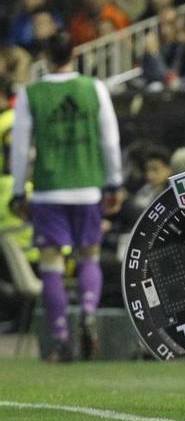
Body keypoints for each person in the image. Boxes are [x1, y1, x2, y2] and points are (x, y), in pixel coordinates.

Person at [9, 32, 123, 362]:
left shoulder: (31, 94)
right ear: (73, 53)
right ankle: (88, 312)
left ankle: (59, 337)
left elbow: (20, 149)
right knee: (89, 255)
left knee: (51, 264)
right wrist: (113, 183)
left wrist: (19, 191)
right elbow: (110, 139)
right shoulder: (94, 88)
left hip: (48, 189)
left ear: (45, 55)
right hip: (88, 187)